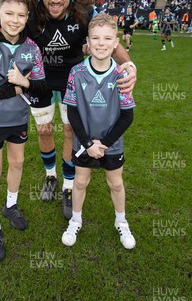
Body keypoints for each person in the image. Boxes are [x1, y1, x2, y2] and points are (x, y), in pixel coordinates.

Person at [0, 0, 137, 220]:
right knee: (45, 131)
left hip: (74, 81)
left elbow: (112, 40)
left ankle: (68, 186)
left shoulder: (85, 11)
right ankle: (50, 176)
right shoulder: (30, 9)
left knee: (70, 131)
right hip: (39, 80)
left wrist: (129, 64)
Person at [0, 0, 47, 262]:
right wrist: (19, 87)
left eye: (21, 15)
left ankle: (11, 206)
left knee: (17, 164)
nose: (15, 20)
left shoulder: (32, 48)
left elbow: (41, 88)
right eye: (9, 13)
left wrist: (26, 82)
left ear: (27, 16)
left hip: (19, 118)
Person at [61, 13, 136, 249]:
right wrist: (88, 143)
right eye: (96, 38)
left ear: (116, 43)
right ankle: (75, 220)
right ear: (88, 42)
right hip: (83, 143)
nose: (101, 43)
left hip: (111, 144)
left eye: (107, 38)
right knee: (80, 183)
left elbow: (127, 115)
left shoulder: (122, 75)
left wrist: (102, 144)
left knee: (115, 183)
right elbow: (72, 112)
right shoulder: (76, 72)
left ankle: (121, 222)